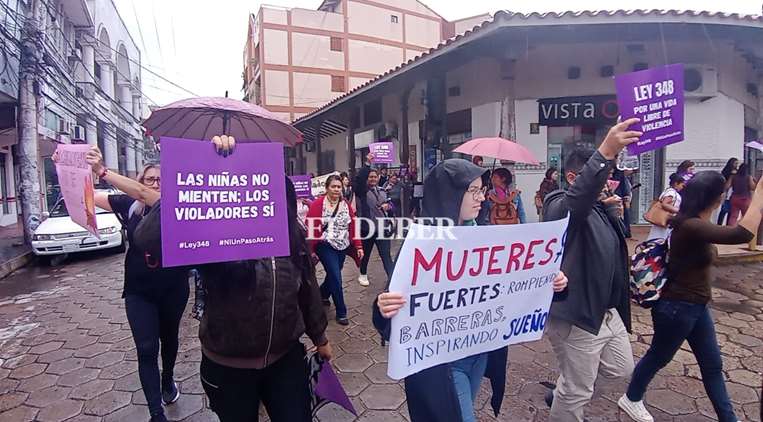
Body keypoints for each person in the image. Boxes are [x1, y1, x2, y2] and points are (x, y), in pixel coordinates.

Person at [373, 158, 569, 422]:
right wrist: (383, 307)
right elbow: (388, 310)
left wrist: (550, 282)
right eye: (473, 191)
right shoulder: (423, 244)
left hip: (479, 354)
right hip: (441, 364)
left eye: (481, 190)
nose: (481, 198)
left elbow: (515, 284)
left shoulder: (486, 236)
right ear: (449, 194)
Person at [198, 135, 333, 422]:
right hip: (228, 366)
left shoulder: (292, 233)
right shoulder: (212, 228)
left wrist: (319, 336)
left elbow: (307, 287)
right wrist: (209, 167)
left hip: (286, 360)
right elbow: (150, 238)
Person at [619, 171, 763, 422]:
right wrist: (759, 195)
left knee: (712, 366)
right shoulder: (691, 226)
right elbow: (741, 234)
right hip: (677, 307)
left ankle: (728, 419)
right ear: (717, 198)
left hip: (696, 307)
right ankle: (631, 398)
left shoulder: (694, 222)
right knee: (658, 356)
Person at [71, 147, 188, 422]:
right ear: (140, 181)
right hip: (139, 291)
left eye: (161, 179)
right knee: (146, 348)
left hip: (174, 288)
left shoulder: (177, 206)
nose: (156, 184)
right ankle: (156, 413)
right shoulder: (128, 206)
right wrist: (72, 168)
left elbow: (148, 196)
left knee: (169, 340)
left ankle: (168, 379)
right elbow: (85, 197)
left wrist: (103, 170)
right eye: (150, 179)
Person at [542, 118, 642, 422]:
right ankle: (569, 399)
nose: (609, 183)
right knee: (578, 391)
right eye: (603, 177)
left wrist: (614, 214)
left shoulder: (601, 206)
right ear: (574, 177)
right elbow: (576, 206)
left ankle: (565, 393)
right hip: (579, 316)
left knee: (620, 370)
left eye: (610, 177)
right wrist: (606, 150)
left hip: (608, 312)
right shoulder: (557, 203)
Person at [306, 175, 364, 325]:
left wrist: (358, 246)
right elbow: (310, 228)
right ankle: (341, 312)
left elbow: (353, 226)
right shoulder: (318, 204)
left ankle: (322, 294)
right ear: (327, 188)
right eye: (333, 186)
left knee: (333, 275)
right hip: (325, 245)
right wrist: (310, 249)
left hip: (343, 245)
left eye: (339, 187)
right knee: (336, 276)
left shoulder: (345, 204)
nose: (337, 189)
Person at [353, 157, 395, 287]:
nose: (372, 179)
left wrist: (389, 207)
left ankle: (393, 279)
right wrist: (367, 163)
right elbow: (359, 180)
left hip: (382, 228)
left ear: (378, 178)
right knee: (365, 254)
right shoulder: (361, 191)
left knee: (386, 256)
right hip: (367, 228)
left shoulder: (382, 191)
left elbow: (391, 205)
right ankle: (363, 273)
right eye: (370, 177)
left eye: (375, 177)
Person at [646, 173, 685, 240]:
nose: (682, 187)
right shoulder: (672, 193)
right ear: (676, 183)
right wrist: (677, 210)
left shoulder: (668, 191)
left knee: (657, 236)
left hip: (663, 218)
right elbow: (664, 204)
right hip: (666, 218)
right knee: (660, 237)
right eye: (682, 185)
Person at [718, 158, 739, 225]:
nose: (736, 165)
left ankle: (728, 224)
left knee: (731, 211)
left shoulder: (737, 171)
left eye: (737, 163)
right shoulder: (726, 171)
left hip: (733, 192)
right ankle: (719, 224)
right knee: (723, 210)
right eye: (735, 163)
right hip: (726, 192)